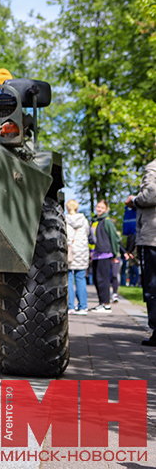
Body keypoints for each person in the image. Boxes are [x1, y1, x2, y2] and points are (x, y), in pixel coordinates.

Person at [126, 144, 156, 345]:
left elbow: (150, 195)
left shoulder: (153, 168)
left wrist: (134, 200)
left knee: (152, 284)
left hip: (153, 236)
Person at [90, 200, 121, 313]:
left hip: (105, 252)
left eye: (102, 208)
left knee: (103, 279)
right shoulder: (94, 221)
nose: (99, 209)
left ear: (106, 209)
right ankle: (101, 302)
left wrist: (114, 253)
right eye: (98, 207)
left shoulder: (107, 221)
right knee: (96, 279)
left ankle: (106, 304)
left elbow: (114, 238)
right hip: (95, 253)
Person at [65, 199, 91, 315]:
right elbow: (88, 234)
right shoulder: (84, 220)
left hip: (70, 252)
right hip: (82, 252)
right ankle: (83, 307)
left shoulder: (65, 220)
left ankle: (70, 306)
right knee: (81, 278)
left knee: (69, 279)